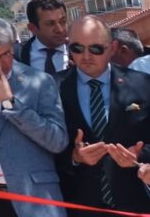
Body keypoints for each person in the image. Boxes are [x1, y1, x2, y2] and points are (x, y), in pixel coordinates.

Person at [0, 17, 67, 217]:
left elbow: (57, 140)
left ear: (14, 46)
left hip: (35, 199)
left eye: (5, 54)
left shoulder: (40, 81)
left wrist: (9, 102)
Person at [54, 15, 150, 215]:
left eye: (96, 49)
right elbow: (42, 146)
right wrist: (74, 156)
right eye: (77, 48)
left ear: (113, 48)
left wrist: (140, 155)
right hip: (79, 204)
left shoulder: (142, 84)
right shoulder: (53, 88)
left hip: (135, 201)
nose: (86, 56)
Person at [14, 0, 69, 75]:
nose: (60, 29)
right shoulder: (17, 55)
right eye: (50, 24)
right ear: (32, 28)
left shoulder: (79, 51)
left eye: (63, 21)